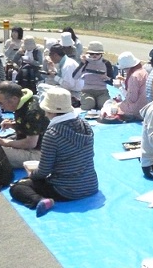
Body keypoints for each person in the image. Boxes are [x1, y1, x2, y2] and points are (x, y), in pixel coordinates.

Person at [9, 87, 98, 217]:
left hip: (65, 190)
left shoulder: (52, 134)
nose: (44, 114)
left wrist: (31, 174)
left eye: (46, 111)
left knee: (18, 187)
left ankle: (40, 201)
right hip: (90, 184)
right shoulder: (85, 124)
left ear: (52, 112)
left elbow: (44, 171)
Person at [0, 81, 50, 168]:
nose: (0, 107)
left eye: (1, 103)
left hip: (39, 153)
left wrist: (5, 143)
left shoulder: (32, 112)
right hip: (34, 142)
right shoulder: (29, 100)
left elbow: (31, 143)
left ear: (14, 99)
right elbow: (30, 126)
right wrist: (13, 125)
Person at [73, 41, 114, 111]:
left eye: (97, 54)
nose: (94, 55)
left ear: (101, 54)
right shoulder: (85, 62)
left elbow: (113, 82)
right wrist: (82, 64)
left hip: (102, 91)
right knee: (89, 104)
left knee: (104, 105)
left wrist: (106, 78)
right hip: (87, 91)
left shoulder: (106, 63)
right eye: (92, 53)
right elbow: (75, 76)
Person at [113, 51, 148, 120]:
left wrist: (119, 87)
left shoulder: (134, 77)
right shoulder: (143, 71)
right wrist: (124, 82)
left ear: (127, 68)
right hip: (145, 108)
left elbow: (131, 99)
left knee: (111, 107)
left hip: (135, 111)